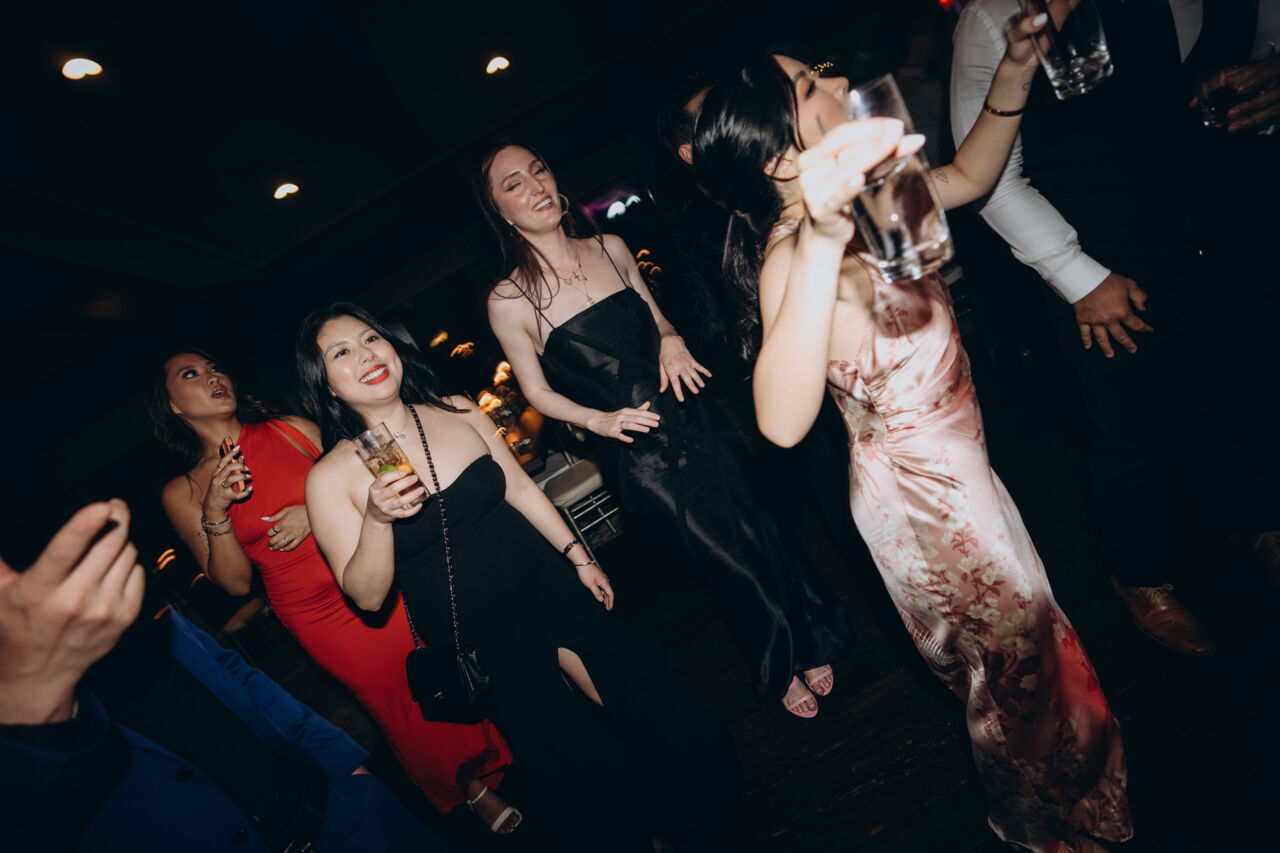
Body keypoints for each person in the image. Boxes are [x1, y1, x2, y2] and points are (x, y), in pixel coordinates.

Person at [690, 14, 1131, 853]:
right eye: (809, 87)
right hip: (923, 498)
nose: (833, 83)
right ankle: (1052, 831)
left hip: (960, 467)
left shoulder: (873, 200)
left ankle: (1070, 815)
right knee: (1017, 678)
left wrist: (1014, 69)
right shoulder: (794, 251)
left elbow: (970, 175)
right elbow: (780, 422)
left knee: (1030, 660)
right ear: (780, 159)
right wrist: (824, 233)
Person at [297, 302, 739, 852]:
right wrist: (376, 518)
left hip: (545, 584)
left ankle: (704, 813)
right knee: (569, 753)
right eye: (342, 352)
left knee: (639, 684)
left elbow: (521, 488)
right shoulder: (329, 477)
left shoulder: (458, 410)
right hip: (479, 632)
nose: (366, 356)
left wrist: (579, 556)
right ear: (325, 384)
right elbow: (367, 597)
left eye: (371, 339)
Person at [478, 139, 853, 719]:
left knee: (759, 525)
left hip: (693, 412)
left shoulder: (611, 246)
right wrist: (597, 419)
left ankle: (812, 632)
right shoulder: (508, 299)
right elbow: (536, 392)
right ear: (501, 212)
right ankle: (778, 658)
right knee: (721, 557)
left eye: (539, 170)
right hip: (638, 453)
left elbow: (655, 318)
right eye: (514, 184)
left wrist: (672, 339)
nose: (536, 187)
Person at [950, 0, 1280, 651]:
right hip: (1104, 266)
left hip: (1225, 227)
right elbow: (986, 176)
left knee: (1246, 391)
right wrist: (1076, 275)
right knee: (1133, 438)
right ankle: (1138, 572)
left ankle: (1264, 521)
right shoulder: (996, 14)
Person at [149, 349, 518, 832]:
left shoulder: (290, 429)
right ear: (173, 406)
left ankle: (503, 742)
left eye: (214, 367)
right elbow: (236, 583)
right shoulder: (183, 491)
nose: (213, 376)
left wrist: (313, 510)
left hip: (378, 570)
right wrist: (216, 510)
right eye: (191, 375)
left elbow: (372, 475)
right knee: (395, 698)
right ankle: (469, 786)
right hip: (316, 615)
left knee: (442, 657)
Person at [0, 500, 445, 853]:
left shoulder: (127, 609)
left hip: (339, 816)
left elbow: (239, 676)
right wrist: (33, 705)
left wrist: (345, 764)